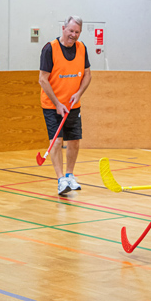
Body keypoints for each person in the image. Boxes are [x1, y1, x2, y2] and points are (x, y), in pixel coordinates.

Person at [39, 15, 92, 196]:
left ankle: (70, 175)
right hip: (52, 105)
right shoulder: (50, 49)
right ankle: (61, 180)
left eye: (77, 32)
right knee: (57, 140)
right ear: (63, 29)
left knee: (74, 140)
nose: (73, 35)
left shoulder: (82, 48)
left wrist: (79, 93)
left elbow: (87, 75)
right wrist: (57, 103)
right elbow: (43, 80)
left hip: (72, 105)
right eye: (71, 31)